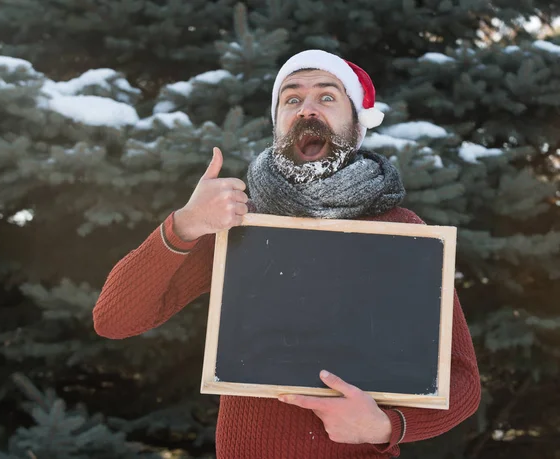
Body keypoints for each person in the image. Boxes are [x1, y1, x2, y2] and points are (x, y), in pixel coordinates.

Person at [93, 49, 481, 458]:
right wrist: (184, 226)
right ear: (277, 121)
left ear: (355, 121)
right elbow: (114, 319)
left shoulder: (402, 231)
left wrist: (387, 425)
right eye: (292, 99)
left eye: (327, 97)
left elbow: (462, 381)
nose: (307, 109)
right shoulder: (238, 223)